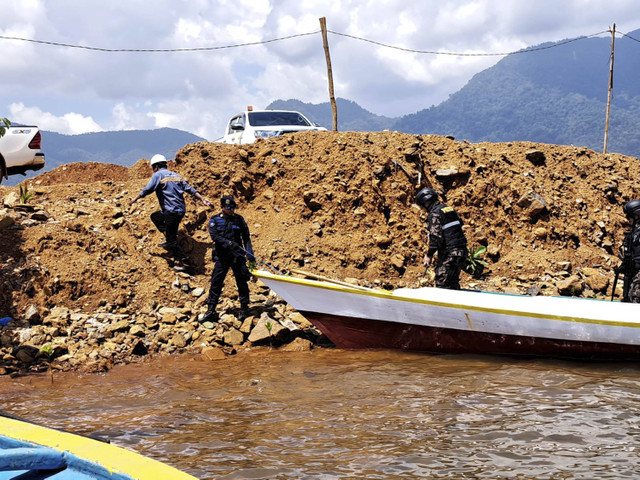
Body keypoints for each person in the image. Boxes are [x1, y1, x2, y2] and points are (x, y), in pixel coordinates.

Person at [129, 154, 211, 264]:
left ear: (156, 166)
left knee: (171, 241)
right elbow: (190, 189)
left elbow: (148, 189)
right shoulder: (176, 176)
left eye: (153, 168)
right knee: (156, 216)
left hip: (171, 212)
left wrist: (135, 199)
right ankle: (168, 234)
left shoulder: (158, 175)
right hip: (179, 210)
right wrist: (202, 199)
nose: (153, 170)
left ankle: (184, 262)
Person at [201, 195, 254, 324]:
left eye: (233, 207)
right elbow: (214, 236)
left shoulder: (239, 220)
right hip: (222, 257)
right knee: (216, 282)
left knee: (242, 282)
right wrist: (229, 243)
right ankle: (211, 311)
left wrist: (250, 255)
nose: (231, 210)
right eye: (229, 207)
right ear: (222, 207)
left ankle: (244, 308)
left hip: (238, 256)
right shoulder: (215, 220)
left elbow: (246, 238)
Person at [415, 187, 468, 290]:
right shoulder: (449, 209)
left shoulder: (434, 214)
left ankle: (442, 306)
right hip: (461, 252)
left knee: (442, 283)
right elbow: (459, 224)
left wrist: (429, 255)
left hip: (450, 253)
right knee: (452, 282)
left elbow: (436, 238)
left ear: (426, 202)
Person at [618, 199, 640, 303]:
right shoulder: (634, 231)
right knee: (628, 298)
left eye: (629, 216)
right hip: (632, 271)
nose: (627, 219)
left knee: (635, 299)